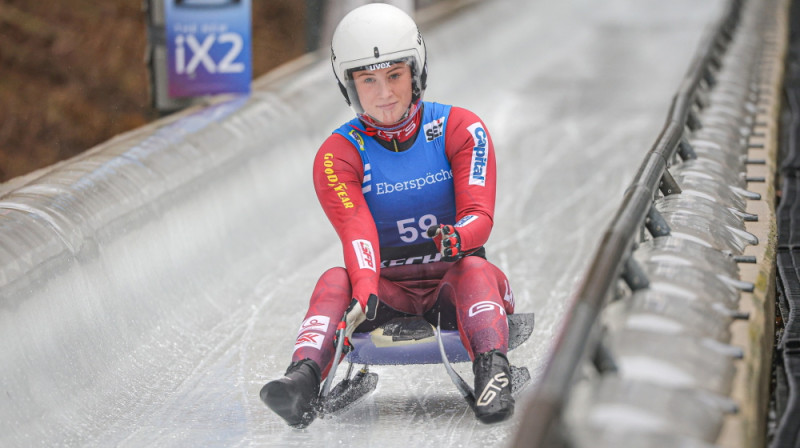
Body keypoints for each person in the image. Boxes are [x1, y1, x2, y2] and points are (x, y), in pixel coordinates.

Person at [260, 3, 516, 427]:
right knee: (333, 280)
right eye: (368, 80)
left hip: (454, 286)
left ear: (415, 74)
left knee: (474, 270)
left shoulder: (460, 127)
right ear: (350, 86)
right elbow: (356, 230)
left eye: (394, 75)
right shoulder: (338, 153)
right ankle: (301, 379)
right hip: (385, 293)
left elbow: (479, 213)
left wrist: (459, 238)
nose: (384, 94)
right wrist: (364, 291)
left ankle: (493, 371)